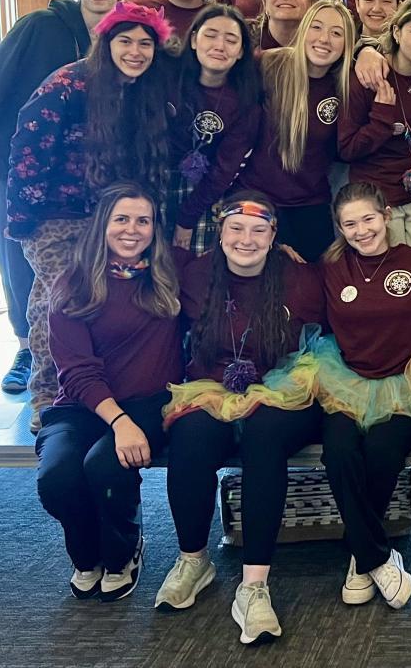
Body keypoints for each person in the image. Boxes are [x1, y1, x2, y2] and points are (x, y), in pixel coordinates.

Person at [155, 191, 325, 644]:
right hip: (211, 387)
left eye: (258, 230)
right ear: (220, 232)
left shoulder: (300, 278)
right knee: (189, 434)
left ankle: (253, 585)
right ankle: (194, 559)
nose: (246, 239)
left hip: (282, 385)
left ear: (274, 236)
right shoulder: (194, 274)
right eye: (236, 228)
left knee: (264, 435)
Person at [8, 1, 174, 429]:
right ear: (106, 42)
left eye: (145, 44)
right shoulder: (68, 82)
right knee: (57, 301)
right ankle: (48, 397)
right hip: (54, 218)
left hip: (109, 217)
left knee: (104, 302)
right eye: (125, 41)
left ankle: (97, 393)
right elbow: (28, 150)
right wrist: (24, 220)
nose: (135, 51)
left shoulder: (145, 93)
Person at [0, 0, 128, 394]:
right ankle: (27, 351)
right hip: (22, 166)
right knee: (23, 267)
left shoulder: (124, 40)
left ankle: (80, 365)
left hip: (86, 183)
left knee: (77, 279)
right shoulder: (40, 27)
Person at [35, 183, 182, 602]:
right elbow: (77, 371)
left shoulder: (170, 272)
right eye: (121, 219)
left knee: (106, 467)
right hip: (81, 406)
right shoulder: (74, 283)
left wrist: (282, 252)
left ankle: (123, 551)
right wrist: (119, 422)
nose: (131, 230)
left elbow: (232, 259)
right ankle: (86, 555)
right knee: (57, 478)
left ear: (154, 228)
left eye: (142, 221)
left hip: (149, 401)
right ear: (102, 224)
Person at [310, 182, 411, 610]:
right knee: (339, 451)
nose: (361, 231)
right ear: (339, 228)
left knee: (382, 451)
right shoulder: (331, 268)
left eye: (368, 219)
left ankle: (360, 556)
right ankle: (375, 556)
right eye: (350, 224)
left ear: (386, 215)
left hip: (405, 384)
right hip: (347, 381)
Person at [339, 0, 411, 261]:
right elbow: (347, 149)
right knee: (389, 272)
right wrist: (381, 119)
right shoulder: (368, 77)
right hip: (377, 195)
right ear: (397, 32)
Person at [241, 0, 355, 261]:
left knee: (315, 277)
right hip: (258, 197)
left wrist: (368, 51)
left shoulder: (345, 84)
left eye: (336, 33)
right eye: (316, 27)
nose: (324, 39)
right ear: (303, 29)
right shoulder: (269, 65)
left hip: (310, 203)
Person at [165, 4, 262, 255]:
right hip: (155, 181)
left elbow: (223, 170)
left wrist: (186, 219)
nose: (220, 46)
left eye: (231, 40)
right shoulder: (166, 77)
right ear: (194, 40)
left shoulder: (245, 102)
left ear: (241, 51)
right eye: (210, 35)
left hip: (204, 192)